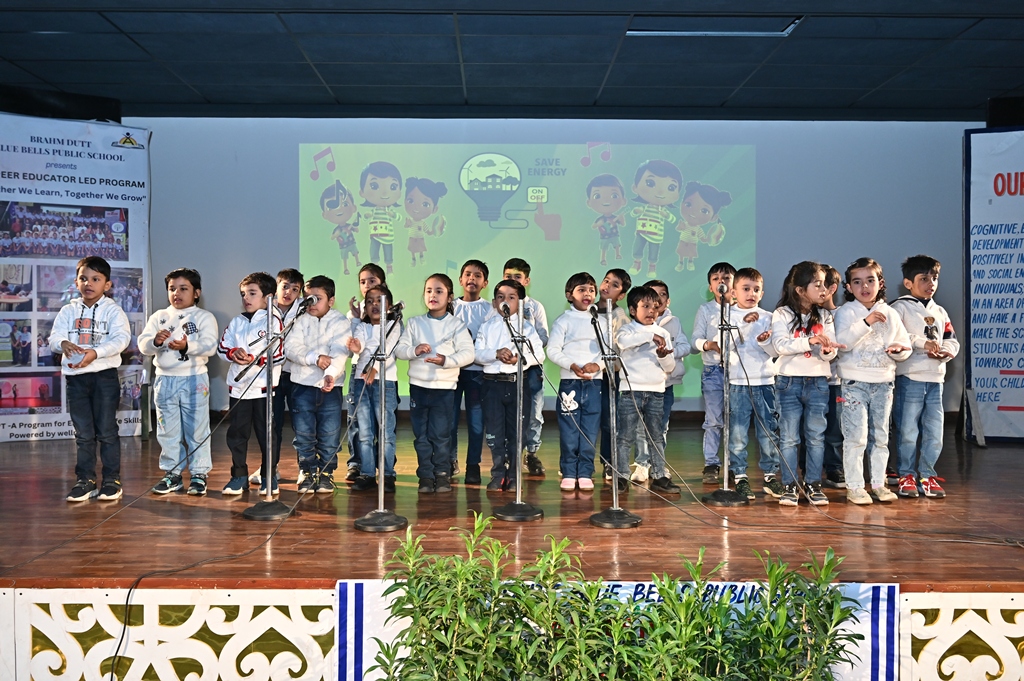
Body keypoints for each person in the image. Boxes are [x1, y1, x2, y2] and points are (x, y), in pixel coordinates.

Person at [51, 256, 131, 502]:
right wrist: (63, 343)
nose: (89, 283)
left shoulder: (113, 310)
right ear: (76, 282)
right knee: (83, 434)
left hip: (104, 378)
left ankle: (111, 480)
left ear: (107, 285)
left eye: (96, 279)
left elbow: (121, 339)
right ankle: (85, 480)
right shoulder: (68, 310)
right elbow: (54, 337)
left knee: (106, 431)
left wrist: (95, 353)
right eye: (83, 278)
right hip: (76, 379)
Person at [834, 257, 912, 505]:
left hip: (884, 383)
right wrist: (866, 323)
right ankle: (855, 486)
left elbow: (905, 346)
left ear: (881, 283)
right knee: (856, 437)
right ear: (848, 287)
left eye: (870, 280)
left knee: (880, 436)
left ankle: (878, 483)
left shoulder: (891, 313)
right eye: (857, 282)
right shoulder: (846, 312)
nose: (864, 286)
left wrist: (899, 351)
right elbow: (842, 344)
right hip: (854, 384)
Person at [139, 267, 219, 496]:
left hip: (194, 380)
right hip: (165, 380)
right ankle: (172, 474)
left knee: (197, 429)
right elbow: (143, 345)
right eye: (172, 288)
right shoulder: (159, 317)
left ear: (196, 293)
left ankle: (199, 474)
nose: (177, 293)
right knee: (167, 430)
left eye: (183, 288)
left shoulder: (204, 317)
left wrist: (187, 346)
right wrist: (155, 341)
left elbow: (210, 346)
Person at [768, 262, 839, 507]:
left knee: (816, 437)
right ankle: (789, 484)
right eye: (817, 284)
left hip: (818, 382)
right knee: (789, 438)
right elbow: (780, 345)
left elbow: (830, 350)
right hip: (788, 382)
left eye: (824, 284)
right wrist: (811, 341)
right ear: (799, 290)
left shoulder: (826, 316)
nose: (823, 289)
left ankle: (813, 484)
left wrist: (828, 351)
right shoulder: (782, 314)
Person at [396, 273, 474, 493]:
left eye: (439, 291)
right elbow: (400, 350)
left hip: (444, 390)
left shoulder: (457, 325)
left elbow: (469, 353)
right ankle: (425, 475)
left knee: (440, 435)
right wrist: (414, 350)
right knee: (421, 436)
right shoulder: (415, 323)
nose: (433, 295)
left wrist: (446, 361)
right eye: (429, 291)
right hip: (419, 389)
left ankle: (441, 474)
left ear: (449, 297)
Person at [890, 255, 959, 499]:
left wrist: (946, 352)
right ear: (908, 283)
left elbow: (951, 339)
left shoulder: (939, 311)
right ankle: (906, 474)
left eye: (934, 278)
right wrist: (922, 343)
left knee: (934, 432)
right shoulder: (899, 308)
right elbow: (895, 337)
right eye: (924, 279)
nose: (931, 283)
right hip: (911, 377)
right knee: (908, 431)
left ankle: (927, 474)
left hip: (935, 379)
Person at [475, 279, 545, 492]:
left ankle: (514, 475)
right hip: (492, 386)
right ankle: (498, 473)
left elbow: (539, 354)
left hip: (517, 385)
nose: (505, 301)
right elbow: (477, 354)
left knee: (517, 433)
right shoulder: (487, 327)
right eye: (500, 297)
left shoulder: (526, 328)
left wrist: (519, 359)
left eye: (511, 297)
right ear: (495, 302)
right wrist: (495, 354)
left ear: (520, 302)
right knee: (494, 433)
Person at [218, 272, 285, 496]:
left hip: (263, 391)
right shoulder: (236, 321)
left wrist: (256, 360)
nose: (246, 298)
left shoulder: (273, 321)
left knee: (267, 435)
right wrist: (234, 353)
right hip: (239, 390)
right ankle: (239, 476)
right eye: (243, 294)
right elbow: (222, 347)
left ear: (268, 297)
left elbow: (279, 355)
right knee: (237, 434)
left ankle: (268, 476)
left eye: (252, 293)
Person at [284, 274, 351, 494]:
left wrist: (330, 374)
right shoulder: (300, 318)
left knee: (330, 434)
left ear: (331, 300)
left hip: (331, 389)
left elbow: (340, 351)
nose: (311, 303)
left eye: (317, 298)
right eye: (308, 298)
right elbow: (291, 347)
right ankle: (307, 470)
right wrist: (315, 358)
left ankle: (326, 472)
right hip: (301, 387)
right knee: (303, 433)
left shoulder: (340, 321)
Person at [724, 268, 781, 501]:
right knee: (738, 432)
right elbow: (724, 347)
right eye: (746, 289)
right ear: (734, 292)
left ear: (762, 293)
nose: (751, 294)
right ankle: (740, 476)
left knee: (768, 430)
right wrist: (744, 325)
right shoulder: (728, 316)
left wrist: (766, 341)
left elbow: (775, 351)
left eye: (756, 289)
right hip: (738, 382)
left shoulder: (769, 317)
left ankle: (770, 476)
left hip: (765, 381)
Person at [614, 285, 677, 494]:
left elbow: (670, 367)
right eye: (646, 306)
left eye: (655, 307)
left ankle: (659, 475)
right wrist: (649, 337)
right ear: (633, 310)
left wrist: (662, 356)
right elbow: (623, 343)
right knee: (625, 436)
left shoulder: (663, 333)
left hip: (656, 392)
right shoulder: (627, 330)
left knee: (656, 436)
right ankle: (621, 475)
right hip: (631, 391)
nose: (652, 311)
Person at [547, 272, 603, 491]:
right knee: (570, 430)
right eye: (582, 290)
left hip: (594, 384)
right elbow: (552, 350)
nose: (587, 294)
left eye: (591, 290)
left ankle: (585, 472)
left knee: (590, 429)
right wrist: (571, 365)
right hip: (570, 384)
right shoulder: (564, 320)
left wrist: (597, 365)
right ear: (569, 295)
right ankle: (569, 471)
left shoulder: (600, 320)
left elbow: (609, 351)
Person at [631, 279, 691, 482]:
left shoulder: (673, 322)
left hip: (665, 385)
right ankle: (642, 464)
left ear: (668, 300)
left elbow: (685, 346)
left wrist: (668, 352)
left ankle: (658, 464)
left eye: (662, 294)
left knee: (660, 427)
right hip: (642, 384)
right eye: (652, 294)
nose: (657, 299)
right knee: (641, 427)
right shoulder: (637, 324)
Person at [251, 268, 304, 489]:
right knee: (272, 424)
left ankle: (305, 469)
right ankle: (270, 468)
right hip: (270, 375)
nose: (289, 292)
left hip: (296, 374)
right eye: (285, 286)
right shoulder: (264, 309)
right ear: (276, 286)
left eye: (295, 289)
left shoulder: (304, 311)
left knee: (301, 424)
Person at [348, 284, 401, 492]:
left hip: (384, 382)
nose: (374, 305)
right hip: (361, 381)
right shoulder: (363, 326)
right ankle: (367, 473)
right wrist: (356, 347)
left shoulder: (394, 325)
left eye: (379, 300)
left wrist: (375, 370)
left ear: (389, 305)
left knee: (386, 431)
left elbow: (389, 351)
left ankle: (387, 474)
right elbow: (359, 344)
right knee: (365, 431)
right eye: (369, 301)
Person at [690, 262, 736, 485]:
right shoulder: (706, 310)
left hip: (737, 372)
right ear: (710, 287)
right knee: (714, 420)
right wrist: (708, 345)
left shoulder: (741, 310)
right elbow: (694, 340)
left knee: (736, 419)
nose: (721, 282)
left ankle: (735, 464)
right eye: (716, 279)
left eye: (726, 278)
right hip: (713, 371)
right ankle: (711, 463)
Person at [502, 257, 549, 477]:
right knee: (507, 412)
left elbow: (544, 337)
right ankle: (509, 454)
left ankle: (532, 453)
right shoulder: (498, 306)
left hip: (531, 367)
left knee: (534, 413)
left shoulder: (535, 306)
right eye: (508, 276)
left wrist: (525, 348)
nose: (512, 279)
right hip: (505, 368)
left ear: (527, 280)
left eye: (517, 277)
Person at [343, 263, 386, 481]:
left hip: (381, 373)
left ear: (383, 283)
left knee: (380, 422)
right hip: (359, 370)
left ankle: (382, 463)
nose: (366, 285)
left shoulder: (390, 310)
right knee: (356, 419)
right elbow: (352, 346)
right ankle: (356, 462)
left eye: (372, 280)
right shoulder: (356, 313)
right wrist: (355, 318)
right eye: (362, 281)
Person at [452, 259, 491, 485]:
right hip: (452, 373)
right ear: (460, 279)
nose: (472, 279)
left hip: (478, 373)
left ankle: (473, 465)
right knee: (450, 420)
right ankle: (450, 460)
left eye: (477, 275)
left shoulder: (489, 309)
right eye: (468, 274)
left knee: (476, 422)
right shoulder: (450, 307)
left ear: (485, 283)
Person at [596, 268, 631, 480]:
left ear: (622, 295)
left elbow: (620, 351)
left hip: (609, 375)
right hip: (587, 375)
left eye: (615, 285)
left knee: (609, 420)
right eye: (606, 280)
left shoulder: (619, 317)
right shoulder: (588, 310)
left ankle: (609, 461)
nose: (607, 286)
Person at [628, 159, 682, 277]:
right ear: (635, 187)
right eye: (650, 183)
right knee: (637, 247)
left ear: (677, 194)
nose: (660, 192)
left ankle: (652, 268)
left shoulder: (663, 210)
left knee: (653, 252)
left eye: (671, 187)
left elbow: (673, 219)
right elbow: (632, 214)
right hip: (642, 231)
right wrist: (636, 211)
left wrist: (666, 215)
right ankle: (637, 263)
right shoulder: (645, 207)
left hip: (656, 235)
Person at [820, 265, 846, 489]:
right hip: (811, 381)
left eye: (822, 285)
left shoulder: (843, 315)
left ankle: (833, 467)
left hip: (835, 382)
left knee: (834, 429)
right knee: (809, 429)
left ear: (832, 288)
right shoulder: (806, 315)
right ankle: (807, 468)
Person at [359, 161, 402, 274]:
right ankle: (375, 266)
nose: (384, 193)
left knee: (388, 250)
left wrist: (393, 215)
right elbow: (364, 218)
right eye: (374, 186)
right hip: (375, 234)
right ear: (362, 192)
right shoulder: (374, 210)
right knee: (374, 249)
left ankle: (389, 266)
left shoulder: (389, 210)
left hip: (388, 236)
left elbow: (399, 218)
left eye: (393, 187)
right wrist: (366, 215)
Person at [403, 177, 447, 266]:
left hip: (420, 238)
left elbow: (428, 231)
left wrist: (434, 231)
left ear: (435, 209)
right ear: (405, 201)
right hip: (412, 238)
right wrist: (407, 224)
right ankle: (413, 259)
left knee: (421, 249)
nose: (416, 208)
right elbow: (406, 226)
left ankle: (421, 257)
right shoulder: (411, 221)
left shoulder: (422, 223)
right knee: (412, 250)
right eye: (410, 200)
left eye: (425, 204)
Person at [585, 174, 627, 265]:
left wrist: (622, 218)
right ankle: (603, 259)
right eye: (597, 196)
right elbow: (593, 226)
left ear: (623, 201)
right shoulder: (601, 219)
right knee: (604, 248)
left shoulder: (614, 217)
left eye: (614, 195)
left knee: (617, 245)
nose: (606, 200)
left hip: (615, 234)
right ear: (589, 202)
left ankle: (618, 254)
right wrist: (598, 224)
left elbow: (623, 224)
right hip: (604, 236)